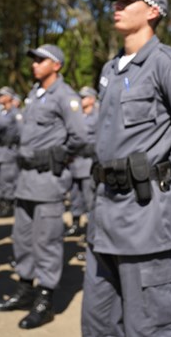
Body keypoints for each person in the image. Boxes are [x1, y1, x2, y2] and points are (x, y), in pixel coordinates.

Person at [81, 0, 171, 336]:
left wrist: (158, 167)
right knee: (97, 323)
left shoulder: (168, 65)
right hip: (104, 215)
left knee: (148, 327)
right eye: (115, 0)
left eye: (128, 1)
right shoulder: (111, 69)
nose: (117, 7)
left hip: (144, 217)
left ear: (153, 11)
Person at [0, 44, 88, 329]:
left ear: (56, 65)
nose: (34, 64)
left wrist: (56, 155)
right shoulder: (35, 94)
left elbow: (80, 136)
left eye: (41, 60)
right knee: (21, 238)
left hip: (48, 180)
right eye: (33, 60)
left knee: (46, 241)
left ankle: (45, 299)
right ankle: (25, 288)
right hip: (25, 182)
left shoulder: (65, 96)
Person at [65, 85, 98, 239]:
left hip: (88, 163)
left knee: (89, 198)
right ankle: (76, 224)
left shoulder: (98, 116)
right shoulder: (76, 115)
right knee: (75, 196)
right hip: (74, 162)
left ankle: (92, 230)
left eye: (84, 97)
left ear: (92, 99)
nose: (81, 100)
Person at [0, 86, 22, 218]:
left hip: (9, 150)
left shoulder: (16, 113)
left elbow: (21, 132)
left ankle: (8, 205)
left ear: (9, 97)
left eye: (3, 95)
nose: (0, 98)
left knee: (7, 179)